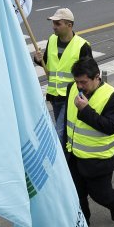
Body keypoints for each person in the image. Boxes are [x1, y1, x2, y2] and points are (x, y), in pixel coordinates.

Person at [64, 57, 114, 223]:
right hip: (74, 155)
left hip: (97, 161)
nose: (79, 86)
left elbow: (110, 126)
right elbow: (67, 121)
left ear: (97, 76)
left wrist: (85, 110)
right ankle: (84, 225)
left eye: (83, 82)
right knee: (78, 194)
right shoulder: (71, 88)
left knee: (101, 196)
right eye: (77, 82)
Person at [33, 9, 92, 139]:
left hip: (71, 97)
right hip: (54, 95)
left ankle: (62, 158)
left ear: (69, 25)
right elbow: (47, 63)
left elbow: (90, 74)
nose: (54, 27)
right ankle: (69, 155)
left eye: (57, 24)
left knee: (59, 133)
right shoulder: (52, 39)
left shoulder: (82, 45)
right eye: (53, 23)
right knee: (64, 131)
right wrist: (38, 59)